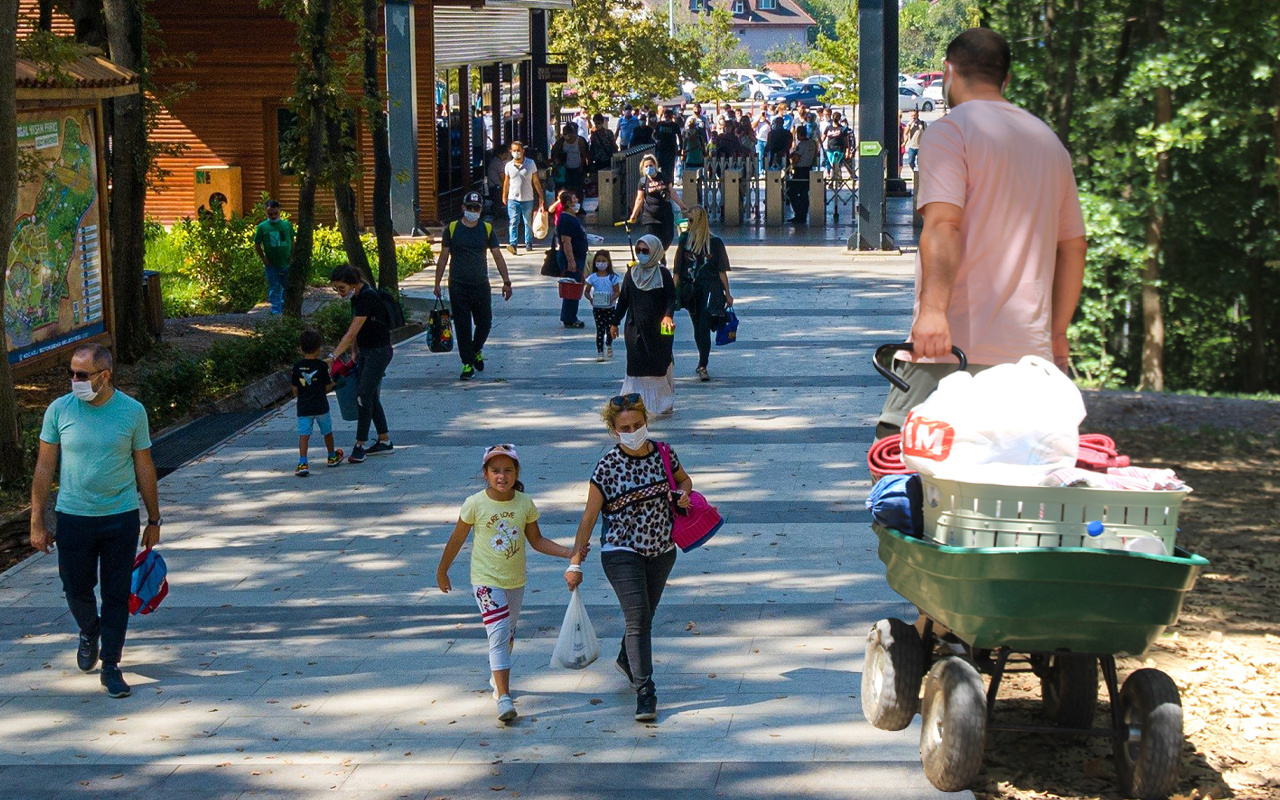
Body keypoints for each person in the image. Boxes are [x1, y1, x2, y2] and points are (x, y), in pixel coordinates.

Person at [876, 27, 1087, 439]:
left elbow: (943, 224)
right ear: (1005, 80)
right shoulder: (1048, 142)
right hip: (1028, 357)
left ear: (948, 72)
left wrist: (933, 312)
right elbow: (1073, 247)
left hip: (950, 348)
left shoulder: (950, 132)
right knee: (1008, 481)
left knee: (898, 464)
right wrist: (1057, 335)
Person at [30, 344, 161, 699]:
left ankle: (111, 665)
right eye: (71, 373)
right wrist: (36, 520)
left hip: (119, 517)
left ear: (105, 376)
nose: (74, 381)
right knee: (75, 587)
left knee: (116, 594)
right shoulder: (59, 410)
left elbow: (144, 465)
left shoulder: (132, 412)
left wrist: (154, 518)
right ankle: (90, 630)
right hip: (73, 516)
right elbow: (44, 467)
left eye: (82, 375)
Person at [565, 394, 694, 722]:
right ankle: (646, 690)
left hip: (662, 551)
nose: (634, 431)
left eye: (638, 425)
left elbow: (683, 480)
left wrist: (684, 494)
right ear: (614, 430)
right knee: (637, 617)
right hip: (622, 552)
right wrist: (575, 562)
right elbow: (589, 517)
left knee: (645, 617)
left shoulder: (663, 452)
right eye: (626, 427)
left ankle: (627, 657)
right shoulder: (608, 466)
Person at [436, 444, 581, 723]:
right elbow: (456, 539)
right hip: (485, 581)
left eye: (507, 470)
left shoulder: (524, 503)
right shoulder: (474, 504)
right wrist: (442, 570)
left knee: (508, 632)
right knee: (500, 631)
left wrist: (568, 552)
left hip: (515, 581)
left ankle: (496, 678)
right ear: (485, 474)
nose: (501, 476)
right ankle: (504, 697)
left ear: (517, 473)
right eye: (495, 471)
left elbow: (536, 540)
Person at [435, 190, 514, 379]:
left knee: (485, 324)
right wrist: (437, 283)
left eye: (476, 208)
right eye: (469, 207)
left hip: (480, 285)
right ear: (463, 208)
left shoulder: (486, 229)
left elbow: (497, 255)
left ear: (480, 209)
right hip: (458, 285)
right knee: (462, 326)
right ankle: (467, 363)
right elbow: (444, 257)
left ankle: (475, 349)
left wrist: (506, 282)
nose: (473, 210)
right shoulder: (452, 229)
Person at [330, 266, 395, 460]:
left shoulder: (367, 296)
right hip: (366, 352)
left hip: (379, 352)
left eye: (342, 288)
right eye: (337, 289)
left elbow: (351, 332)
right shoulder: (357, 297)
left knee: (363, 396)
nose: (340, 293)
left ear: (353, 284)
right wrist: (354, 351)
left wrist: (333, 357)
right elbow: (357, 331)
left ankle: (360, 445)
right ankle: (384, 440)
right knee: (371, 396)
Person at [610, 234, 678, 415]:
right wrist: (615, 323)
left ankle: (662, 403)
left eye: (645, 251)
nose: (641, 254)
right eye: (638, 250)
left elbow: (671, 298)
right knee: (636, 366)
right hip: (635, 329)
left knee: (659, 365)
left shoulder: (662, 274)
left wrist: (668, 316)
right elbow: (623, 300)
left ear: (655, 251)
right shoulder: (631, 274)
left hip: (659, 331)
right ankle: (635, 403)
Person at [671, 206, 732, 382]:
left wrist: (727, 294)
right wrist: (673, 294)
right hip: (691, 290)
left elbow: (722, 272)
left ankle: (703, 364)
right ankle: (701, 361)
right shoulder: (685, 241)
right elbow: (677, 270)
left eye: (690, 220)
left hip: (710, 290)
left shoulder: (715, 243)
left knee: (704, 326)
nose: (687, 224)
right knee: (698, 327)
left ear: (699, 221)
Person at [291, 329, 342, 476]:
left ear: (300, 349)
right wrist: (334, 383)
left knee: (304, 435)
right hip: (321, 406)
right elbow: (327, 386)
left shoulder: (297, 366)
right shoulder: (321, 366)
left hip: (304, 407)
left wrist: (300, 398)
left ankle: (303, 462)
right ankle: (332, 456)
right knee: (327, 432)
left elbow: (295, 388)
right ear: (319, 350)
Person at [626, 154, 688, 252]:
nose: (649, 168)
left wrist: (681, 205)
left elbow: (672, 192)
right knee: (652, 240)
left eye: (651, 165)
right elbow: (639, 199)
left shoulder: (663, 177)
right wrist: (634, 214)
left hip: (665, 214)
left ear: (655, 166)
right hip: (650, 216)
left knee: (668, 237)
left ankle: (661, 253)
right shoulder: (643, 182)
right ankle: (657, 256)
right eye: (646, 166)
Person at [502, 141, 544, 255]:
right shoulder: (508, 166)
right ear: (510, 152)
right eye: (514, 150)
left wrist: (541, 196)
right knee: (513, 221)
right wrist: (504, 195)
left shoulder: (530, 164)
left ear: (523, 151)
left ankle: (528, 242)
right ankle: (513, 244)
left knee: (527, 222)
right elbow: (506, 182)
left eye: (518, 150)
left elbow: (535, 181)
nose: (516, 153)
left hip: (527, 199)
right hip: (513, 199)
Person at [253, 199, 294, 315]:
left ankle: (286, 308)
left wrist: (292, 255)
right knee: (274, 287)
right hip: (271, 264)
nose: (273, 216)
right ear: (266, 213)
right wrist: (263, 258)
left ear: (279, 211)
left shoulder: (286, 225)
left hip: (285, 262)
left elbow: (292, 240)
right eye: (270, 214)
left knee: (287, 286)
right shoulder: (262, 227)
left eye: (275, 213)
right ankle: (276, 311)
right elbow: (257, 244)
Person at [555, 189, 589, 329]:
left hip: (578, 256)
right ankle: (570, 317)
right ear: (568, 203)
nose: (577, 202)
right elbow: (566, 241)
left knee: (574, 285)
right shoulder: (567, 219)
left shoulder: (571, 217)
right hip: (572, 258)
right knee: (572, 287)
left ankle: (568, 316)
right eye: (575, 199)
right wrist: (571, 260)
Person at [584, 250, 622, 361]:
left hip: (610, 308)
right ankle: (600, 352)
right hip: (598, 308)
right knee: (599, 330)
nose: (601, 263)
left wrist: (611, 299)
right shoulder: (592, 278)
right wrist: (590, 299)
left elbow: (617, 291)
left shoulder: (612, 277)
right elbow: (586, 291)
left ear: (608, 262)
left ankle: (609, 344)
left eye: (603, 261)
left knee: (609, 329)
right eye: (598, 261)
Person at [787, 125, 820, 224]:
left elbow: (796, 159)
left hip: (800, 171)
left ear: (799, 134)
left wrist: (792, 159)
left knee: (791, 192)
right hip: (808, 170)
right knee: (804, 194)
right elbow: (814, 157)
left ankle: (798, 214)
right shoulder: (812, 143)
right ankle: (804, 215)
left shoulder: (801, 145)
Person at [551, 124, 589, 198]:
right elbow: (555, 151)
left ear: (571, 133)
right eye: (563, 133)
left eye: (566, 133)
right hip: (566, 168)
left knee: (578, 188)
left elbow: (583, 154)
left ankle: (579, 206)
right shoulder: (562, 141)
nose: (565, 136)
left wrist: (581, 166)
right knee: (568, 188)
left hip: (577, 167)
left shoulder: (579, 141)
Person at [653, 108, 683, 181]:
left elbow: (680, 137)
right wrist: (656, 141)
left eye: (669, 115)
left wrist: (680, 149)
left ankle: (669, 184)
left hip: (671, 150)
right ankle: (660, 182)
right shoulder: (660, 124)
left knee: (669, 169)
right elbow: (653, 135)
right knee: (659, 168)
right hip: (660, 150)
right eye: (666, 114)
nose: (667, 116)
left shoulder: (674, 125)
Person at [823, 112, 850, 178]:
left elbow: (846, 141)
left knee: (835, 162)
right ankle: (829, 174)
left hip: (839, 149)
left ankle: (836, 175)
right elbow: (823, 136)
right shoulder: (828, 128)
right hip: (830, 149)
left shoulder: (842, 129)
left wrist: (847, 151)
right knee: (828, 161)